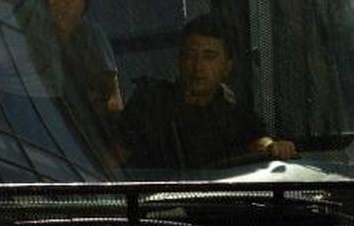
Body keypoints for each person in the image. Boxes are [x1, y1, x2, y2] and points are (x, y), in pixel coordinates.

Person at [121, 13, 296, 170]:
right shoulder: (150, 102)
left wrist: (275, 148)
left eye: (209, 57)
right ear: (179, 60)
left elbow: (260, 142)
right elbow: (112, 162)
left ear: (227, 67)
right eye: (190, 55)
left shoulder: (235, 113)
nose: (198, 67)